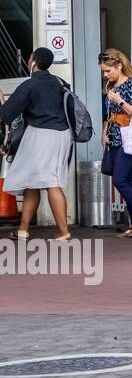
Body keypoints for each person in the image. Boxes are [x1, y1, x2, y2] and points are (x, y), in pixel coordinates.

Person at [1, 48, 73, 241]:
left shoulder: (30, 85)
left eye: (30, 57)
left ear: (33, 62)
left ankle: (64, 231)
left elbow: (7, 114)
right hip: (63, 135)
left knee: (51, 182)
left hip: (40, 134)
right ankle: (23, 229)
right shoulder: (60, 83)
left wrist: (2, 102)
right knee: (32, 181)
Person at [99, 47, 132, 238]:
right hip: (114, 137)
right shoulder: (110, 87)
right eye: (103, 71)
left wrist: (119, 100)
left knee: (120, 179)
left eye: (108, 70)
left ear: (119, 65)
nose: (106, 74)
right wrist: (104, 133)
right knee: (125, 180)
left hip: (129, 136)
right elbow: (108, 115)